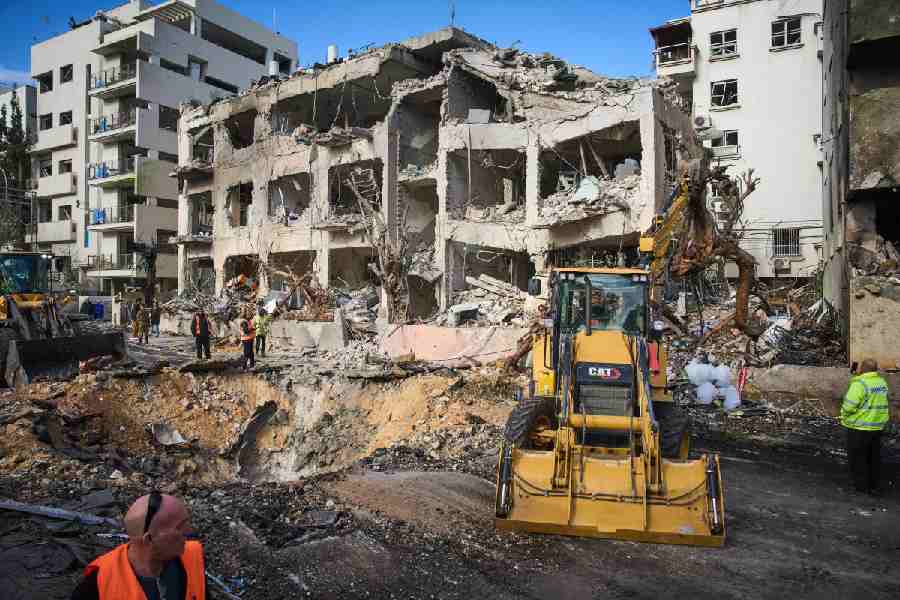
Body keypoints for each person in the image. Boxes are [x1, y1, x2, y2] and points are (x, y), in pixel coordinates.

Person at [70, 492, 205, 600]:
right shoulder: (99, 582)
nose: (189, 531)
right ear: (149, 540)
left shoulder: (192, 558)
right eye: (179, 527)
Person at [842, 358, 890, 495]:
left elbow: (849, 406)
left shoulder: (859, 384)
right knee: (873, 457)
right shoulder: (881, 383)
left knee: (858, 458)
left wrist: (844, 415)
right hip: (876, 427)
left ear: (862, 368)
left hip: (859, 427)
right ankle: (874, 485)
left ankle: (862, 487)